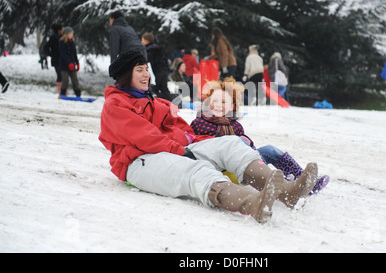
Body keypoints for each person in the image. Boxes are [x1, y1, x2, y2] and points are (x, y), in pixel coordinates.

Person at [99, 50, 319, 223]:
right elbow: (145, 137)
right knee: (196, 171)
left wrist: (206, 145)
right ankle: (252, 203)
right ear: (126, 75)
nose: (146, 74)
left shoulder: (155, 102)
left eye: (147, 69)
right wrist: (183, 151)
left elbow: (186, 132)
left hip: (174, 149)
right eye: (140, 70)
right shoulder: (115, 105)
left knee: (231, 144)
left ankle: (287, 193)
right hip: (138, 161)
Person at [190, 77, 329, 194]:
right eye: (215, 101)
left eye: (223, 102)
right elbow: (196, 144)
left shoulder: (235, 125)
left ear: (232, 106)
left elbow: (248, 146)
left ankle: (303, 180)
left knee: (270, 150)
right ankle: (285, 186)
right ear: (208, 102)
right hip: (222, 168)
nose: (218, 105)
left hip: (245, 161)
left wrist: (250, 148)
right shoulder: (200, 122)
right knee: (235, 141)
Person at [109, 10, 155, 84]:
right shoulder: (129, 27)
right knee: (141, 76)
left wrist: (113, 67)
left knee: (127, 79)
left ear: (112, 19)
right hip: (142, 51)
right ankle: (146, 91)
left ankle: (125, 93)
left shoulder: (115, 28)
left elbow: (114, 48)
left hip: (131, 54)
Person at [141, 32, 170, 100]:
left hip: (156, 72)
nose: (141, 42)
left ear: (146, 40)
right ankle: (172, 104)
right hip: (164, 70)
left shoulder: (148, 50)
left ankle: (156, 106)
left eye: (142, 40)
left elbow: (149, 64)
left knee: (154, 90)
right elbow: (165, 59)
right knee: (164, 89)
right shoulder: (159, 48)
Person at [58, 27, 81, 98]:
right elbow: (63, 54)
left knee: (75, 80)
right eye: (70, 33)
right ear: (66, 34)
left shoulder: (72, 42)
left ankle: (78, 95)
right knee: (65, 80)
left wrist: (77, 63)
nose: (71, 35)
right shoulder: (62, 42)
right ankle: (62, 94)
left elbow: (74, 54)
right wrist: (69, 63)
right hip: (64, 65)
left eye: (72, 34)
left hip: (72, 65)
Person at [44, 23, 64, 97]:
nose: (63, 30)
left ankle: (64, 92)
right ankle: (60, 93)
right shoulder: (53, 38)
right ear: (58, 31)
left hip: (62, 60)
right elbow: (46, 47)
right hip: (56, 60)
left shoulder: (63, 37)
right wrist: (52, 54)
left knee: (63, 76)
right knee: (59, 75)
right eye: (62, 29)